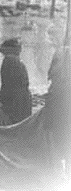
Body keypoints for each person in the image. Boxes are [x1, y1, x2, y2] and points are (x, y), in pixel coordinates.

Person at [45, 46, 71, 178]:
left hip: (58, 120)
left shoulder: (57, 82)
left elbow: (51, 101)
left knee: (59, 145)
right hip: (63, 120)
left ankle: (60, 172)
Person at [0, 38, 31, 124]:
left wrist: (1, 99)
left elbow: (7, 83)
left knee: (10, 124)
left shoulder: (8, 60)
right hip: (24, 98)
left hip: (14, 100)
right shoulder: (18, 61)